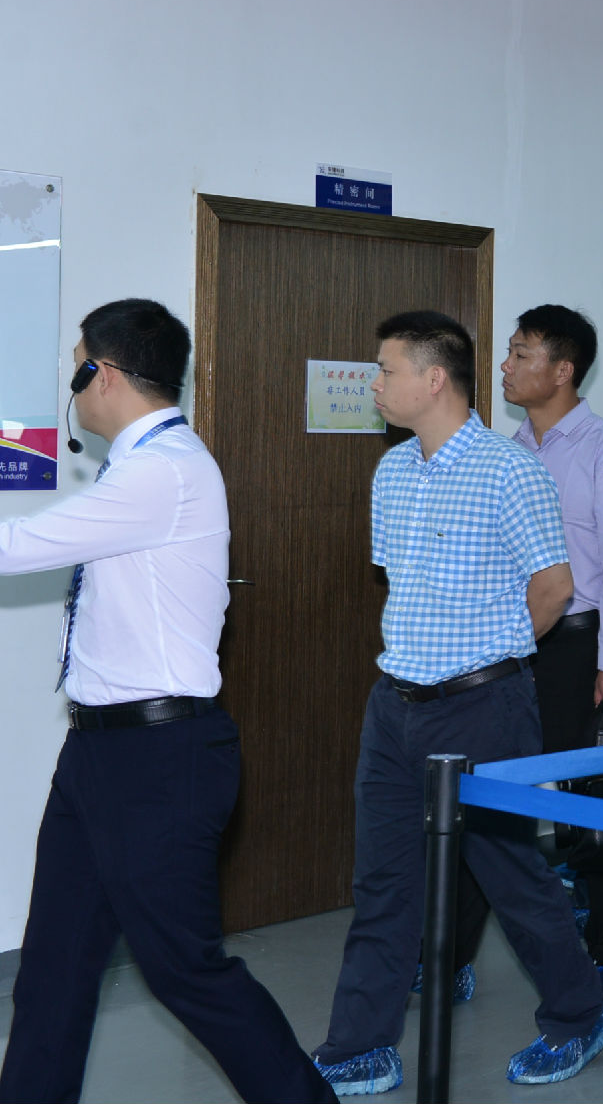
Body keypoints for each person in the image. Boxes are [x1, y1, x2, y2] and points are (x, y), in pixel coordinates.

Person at [0, 299, 333, 1104]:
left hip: (158, 758)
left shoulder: (164, 470)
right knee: (53, 967)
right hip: (100, 752)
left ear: (104, 373)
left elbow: (18, 546)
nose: (73, 384)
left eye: (77, 366)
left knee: (187, 971)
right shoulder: (141, 467)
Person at [317, 311, 603, 1094]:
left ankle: (578, 1013)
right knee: (383, 881)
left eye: (386, 369)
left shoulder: (509, 470)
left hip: (482, 706)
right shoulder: (392, 471)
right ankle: (360, 1044)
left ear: (434, 377)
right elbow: (401, 580)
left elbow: (554, 587)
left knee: (511, 873)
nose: (375, 384)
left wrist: (489, 653)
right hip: (395, 706)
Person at [457, 305, 603, 990]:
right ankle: (451, 954)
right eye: (509, 353)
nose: (505, 366)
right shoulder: (510, 448)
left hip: (582, 643)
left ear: (563, 370)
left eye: (520, 354)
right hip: (515, 643)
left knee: (594, 795)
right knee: (488, 794)